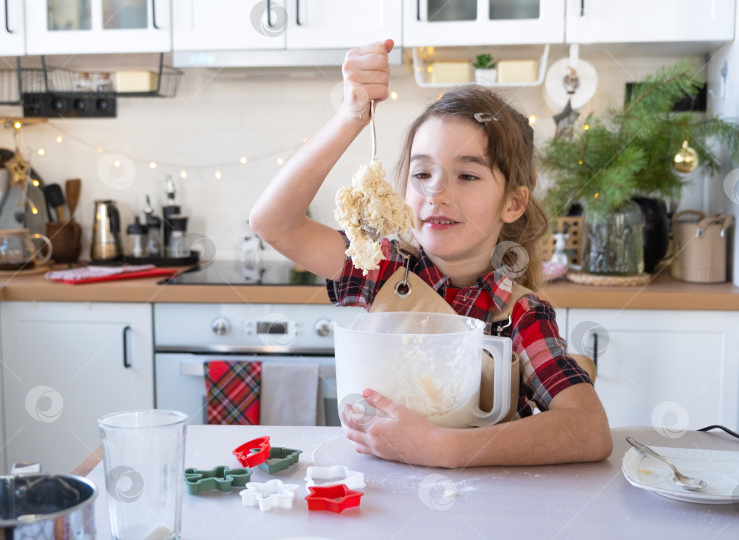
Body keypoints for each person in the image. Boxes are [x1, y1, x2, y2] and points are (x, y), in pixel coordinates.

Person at [249, 40, 613, 468]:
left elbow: (589, 429)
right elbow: (274, 223)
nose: (436, 193)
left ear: (513, 203)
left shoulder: (519, 314)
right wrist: (350, 118)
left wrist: (441, 447)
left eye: (467, 174)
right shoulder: (382, 270)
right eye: (422, 173)